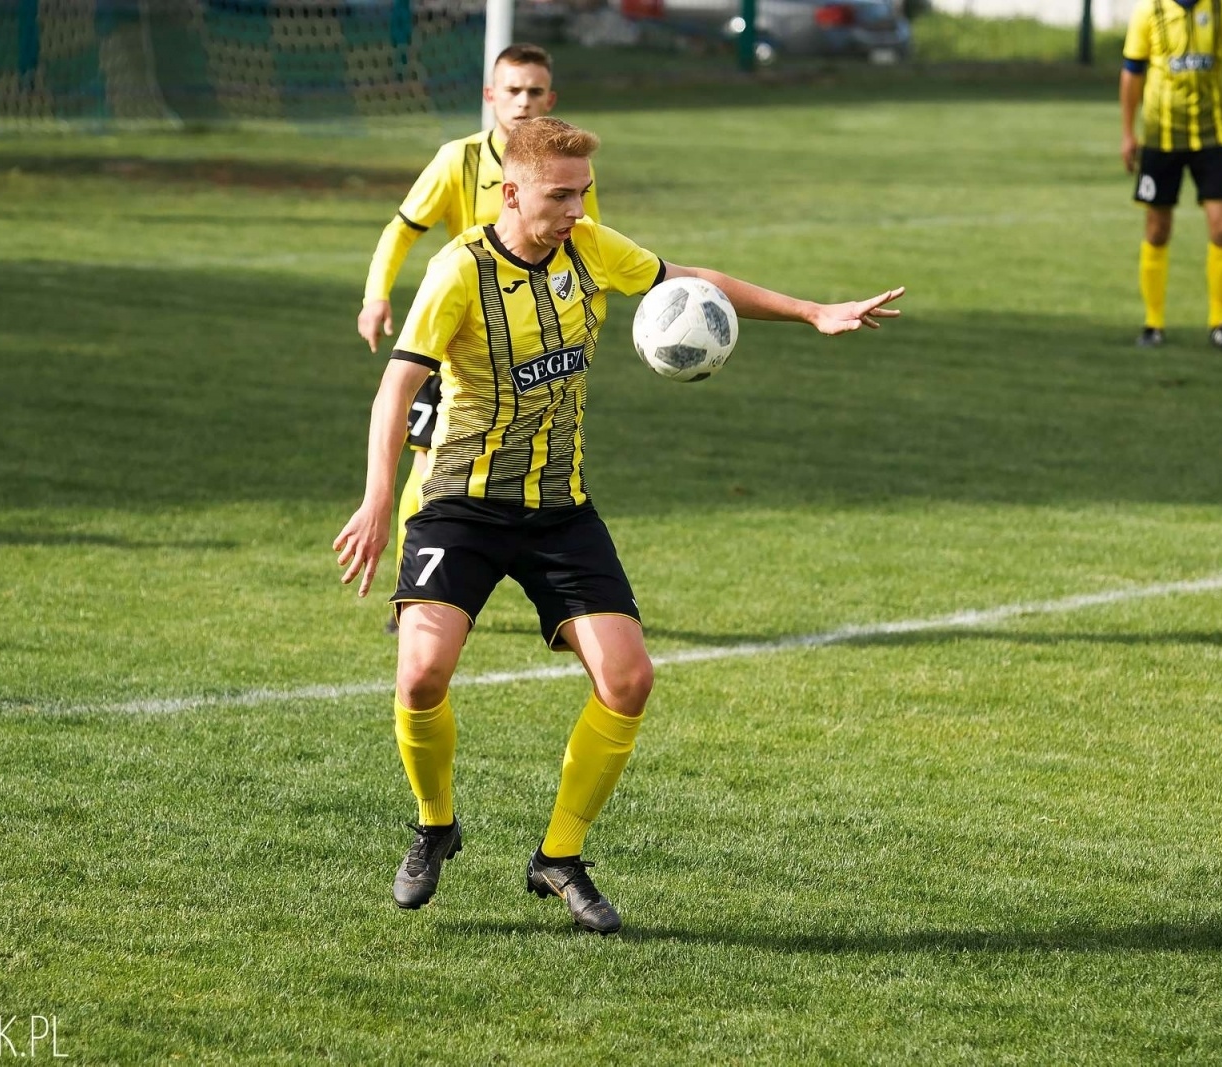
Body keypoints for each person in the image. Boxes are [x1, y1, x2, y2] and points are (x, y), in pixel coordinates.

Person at [332, 117, 905, 934]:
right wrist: (378, 496)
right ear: (512, 192)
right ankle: (435, 826)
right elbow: (398, 388)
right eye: (560, 194)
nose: (575, 207)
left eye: (583, 191)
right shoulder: (459, 271)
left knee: (630, 678)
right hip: (459, 504)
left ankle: (559, 857)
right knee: (421, 676)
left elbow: (688, 279)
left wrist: (812, 312)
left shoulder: (590, 249)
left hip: (558, 508)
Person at [357, 43, 600, 633]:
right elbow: (401, 228)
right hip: (460, 336)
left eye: (535, 92)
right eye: (512, 90)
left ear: (551, 99)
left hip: (529, 339)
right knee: (429, 461)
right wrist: (375, 294)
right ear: (490, 96)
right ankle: (412, 587)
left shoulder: (564, 172)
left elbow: (594, 244)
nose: (524, 101)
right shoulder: (457, 160)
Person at [1120, 0, 1222, 350]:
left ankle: (1220, 322)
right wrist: (1127, 132)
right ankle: (1153, 324)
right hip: (1160, 137)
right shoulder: (1148, 11)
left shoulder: (1221, 8)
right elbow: (1131, 72)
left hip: (1211, 136)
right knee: (1157, 229)